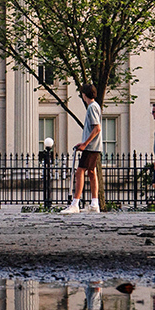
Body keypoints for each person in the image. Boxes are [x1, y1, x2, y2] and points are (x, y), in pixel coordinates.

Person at [61, 84, 103, 214]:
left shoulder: (92, 107)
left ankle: (75, 203)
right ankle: (94, 204)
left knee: (80, 172)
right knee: (91, 173)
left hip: (91, 147)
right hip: (94, 146)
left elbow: (97, 128)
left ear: (84, 95)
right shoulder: (95, 106)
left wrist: (85, 144)